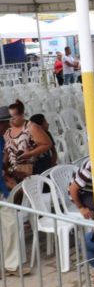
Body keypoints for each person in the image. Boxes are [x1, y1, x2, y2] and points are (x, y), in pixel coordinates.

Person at [0, 105, 30, 276]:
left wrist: (10, 173)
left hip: (1, 189)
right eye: (6, 123)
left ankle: (11, 266)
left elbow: (3, 163)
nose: (8, 126)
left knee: (10, 223)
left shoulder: (1, 139)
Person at [3, 100, 52, 184]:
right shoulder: (7, 130)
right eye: (10, 118)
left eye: (14, 117)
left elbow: (47, 144)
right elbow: (7, 151)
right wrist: (7, 167)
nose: (11, 120)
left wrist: (31, 153)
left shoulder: (31, 127)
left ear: (21, 115)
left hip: (35, 168)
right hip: (17, 170)